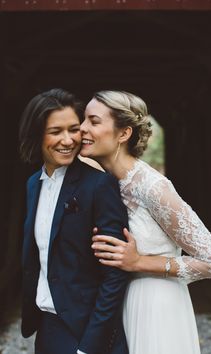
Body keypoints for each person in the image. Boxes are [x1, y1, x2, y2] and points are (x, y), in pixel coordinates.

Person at [79, 90, 211, 354]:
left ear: (123, 134)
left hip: (156, 305)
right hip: (121, 302)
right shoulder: (105, 183)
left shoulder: (152, 187)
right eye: (83, 120)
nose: (82, 128)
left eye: (93, 121)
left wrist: (139, 262)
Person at [19, 88, 130, 354]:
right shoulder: (33, 184)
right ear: (37, 134)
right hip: (47, 328)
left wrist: (90, 347)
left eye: (73, 129)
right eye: (56, 131)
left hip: (86, 333)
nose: (68, 140)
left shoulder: (99, 185)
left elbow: (114, 274)